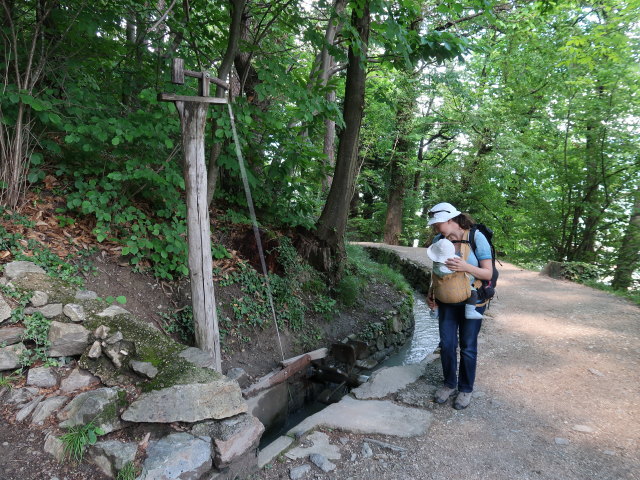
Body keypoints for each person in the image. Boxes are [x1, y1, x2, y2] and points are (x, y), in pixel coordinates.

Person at [426, 202, 493, 410]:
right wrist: (431, 292)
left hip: (473, 299)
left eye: (437, 223)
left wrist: (465, 266)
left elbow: (488, 274)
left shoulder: (476, 237)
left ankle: (465, 389)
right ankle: (449, 384)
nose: (435, 228)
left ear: (450, 220)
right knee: (446, 344)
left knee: (467, 346)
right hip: (446, 300)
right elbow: (436, 270)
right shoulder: (439, 240)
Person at [426, 237, 483, 320]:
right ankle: (470, 311)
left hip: (441, 294)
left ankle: (435, 311)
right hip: (457, 291)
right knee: (473, 292)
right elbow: (464, 275)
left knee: (434, 293)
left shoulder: (436, 265)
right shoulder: (454, 263)